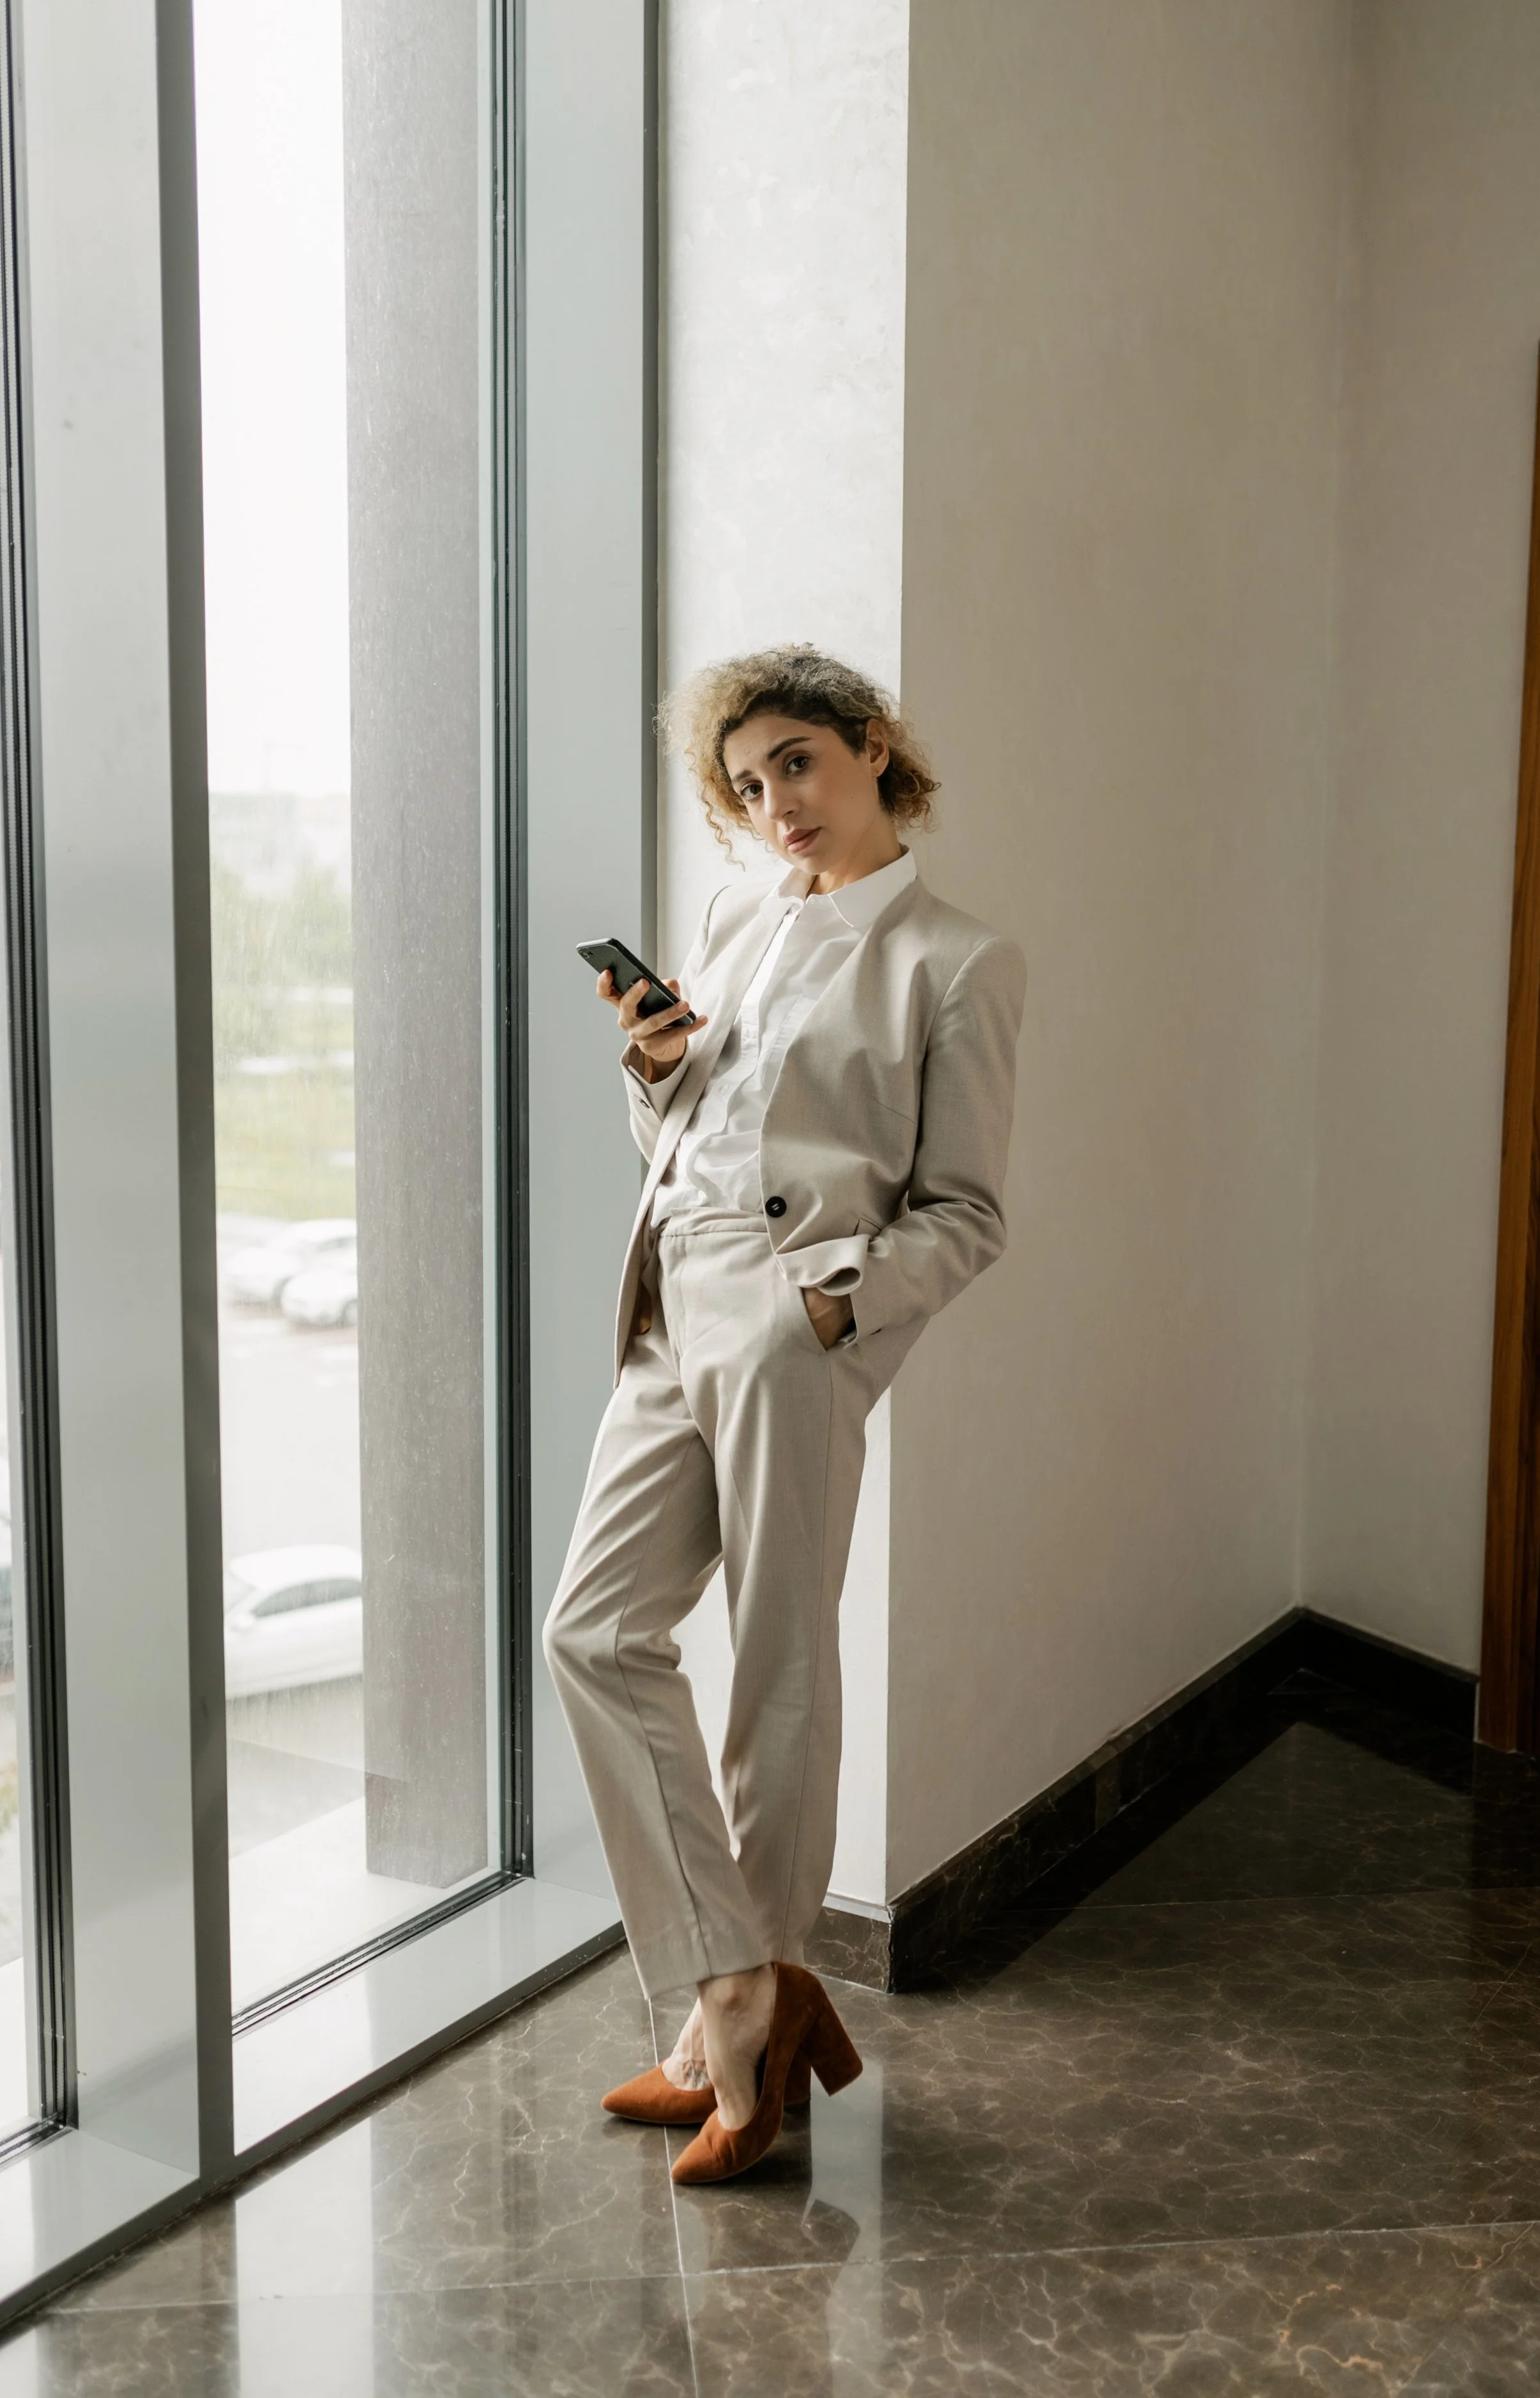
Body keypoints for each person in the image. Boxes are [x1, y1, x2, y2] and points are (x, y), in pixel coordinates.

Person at [543, 645, 1025, 2184]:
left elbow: (965, 1213)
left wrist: (832, 1305)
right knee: (592, 1632)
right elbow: (684, 1128)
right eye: (746, 787)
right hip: (664, 1299)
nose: (776, 807)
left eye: (797, 766)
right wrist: (653, 1063)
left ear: (872, 747)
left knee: (775, 1664)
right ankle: (741, 1985)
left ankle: (730, 2030)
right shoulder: (734, 915)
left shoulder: (952, 960)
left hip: (790, 1317)